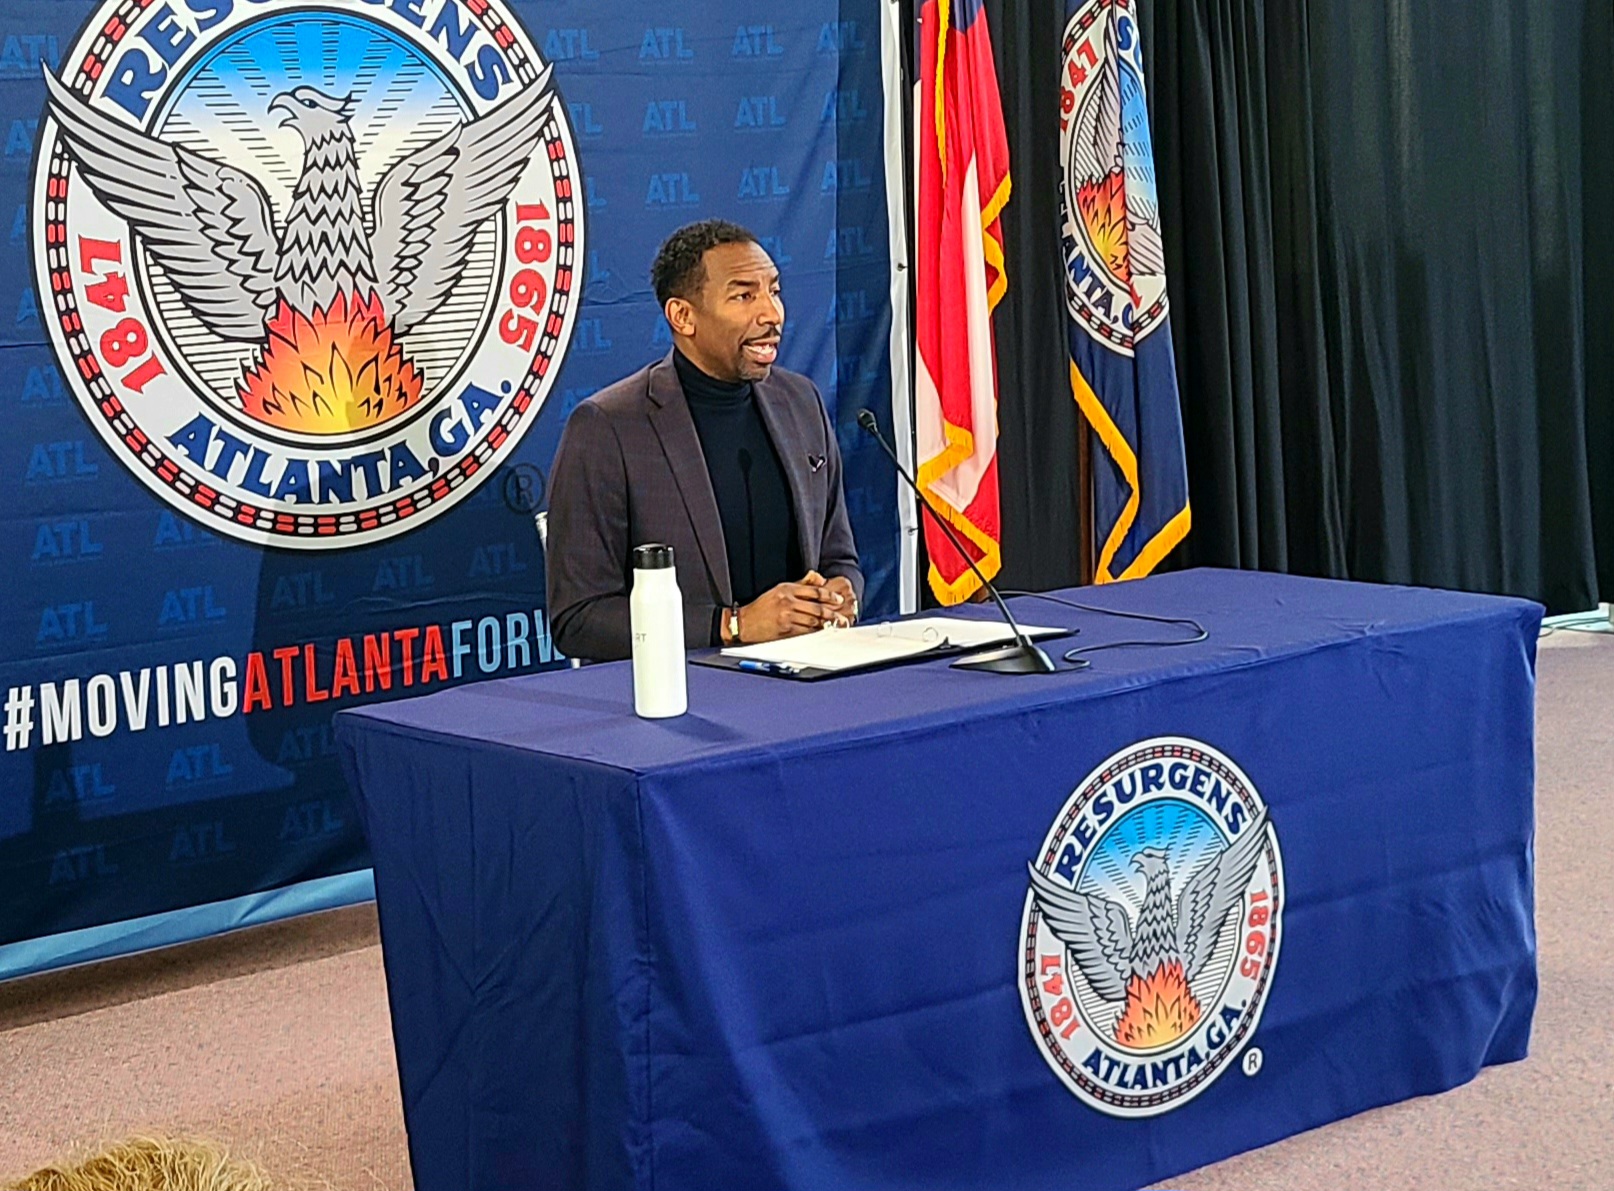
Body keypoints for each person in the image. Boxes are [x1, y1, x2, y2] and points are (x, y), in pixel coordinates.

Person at [545, 220, 863, 662]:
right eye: (744, 296)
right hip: (682, 689)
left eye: (774, 290)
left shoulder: (800, 402)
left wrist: (839, 594)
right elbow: (579, 619)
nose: (772, 314)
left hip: (809, 678)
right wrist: (732, 625)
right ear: (683, 316)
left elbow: (839, 557)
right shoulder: (608, 426)